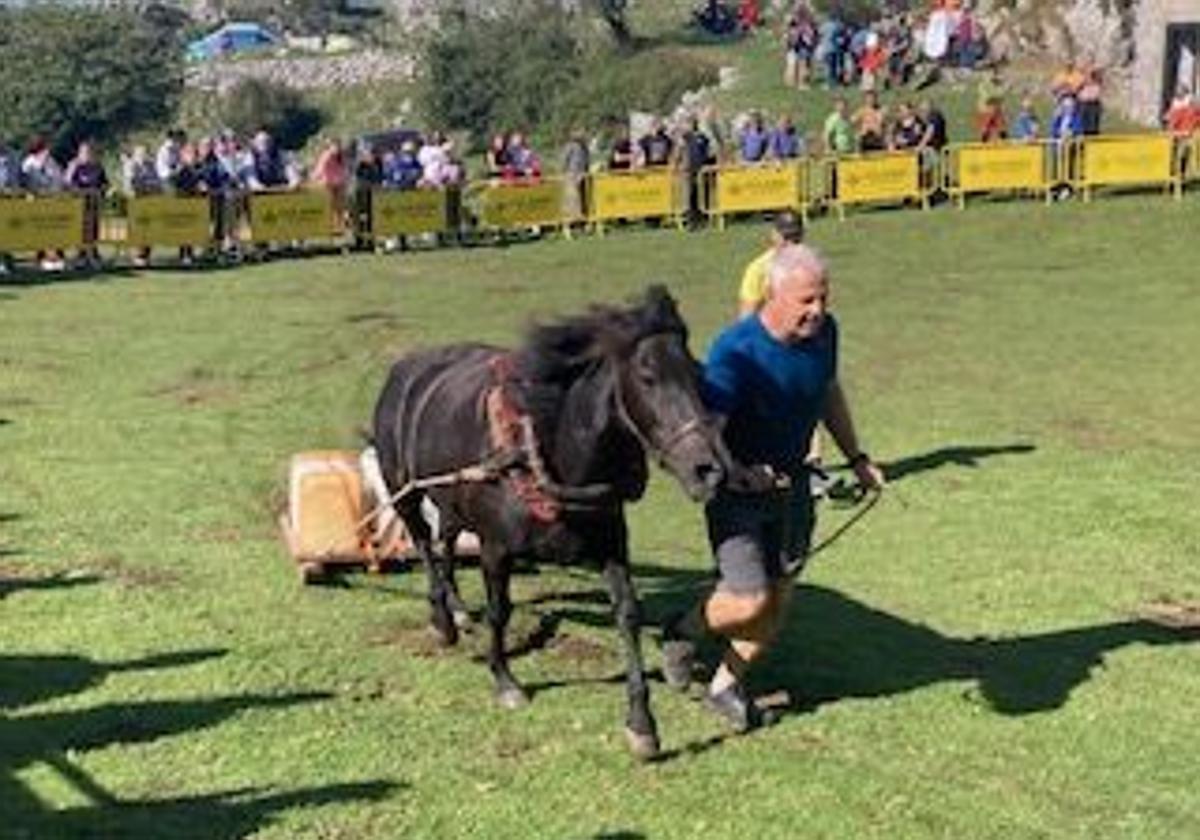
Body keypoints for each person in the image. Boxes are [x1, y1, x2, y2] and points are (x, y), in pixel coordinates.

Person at [662, 242, 885, 731]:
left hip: (794, 486)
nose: (818, 310)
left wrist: (857, 458)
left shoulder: (826, 335)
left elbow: (827, 391)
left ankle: (725, 685)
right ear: (772, 294)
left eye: (822, 297)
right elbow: (706, 432)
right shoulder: (735, 351)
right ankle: (682, 629)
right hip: (737, 492)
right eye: (806, 300)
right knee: (748, 600)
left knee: (779, 600)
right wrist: (740, 470)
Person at [680, 116, 715, 229]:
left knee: (704, 195)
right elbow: (680, 150)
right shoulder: (685, 136)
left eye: (693, 123)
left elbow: (708, 152)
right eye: (689, 123)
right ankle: (692, 220)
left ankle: (705, 218)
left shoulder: (703, 137)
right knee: (692, 195)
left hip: (703, 169)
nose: (691, 125)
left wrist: (709, 164)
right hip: (690, 170)